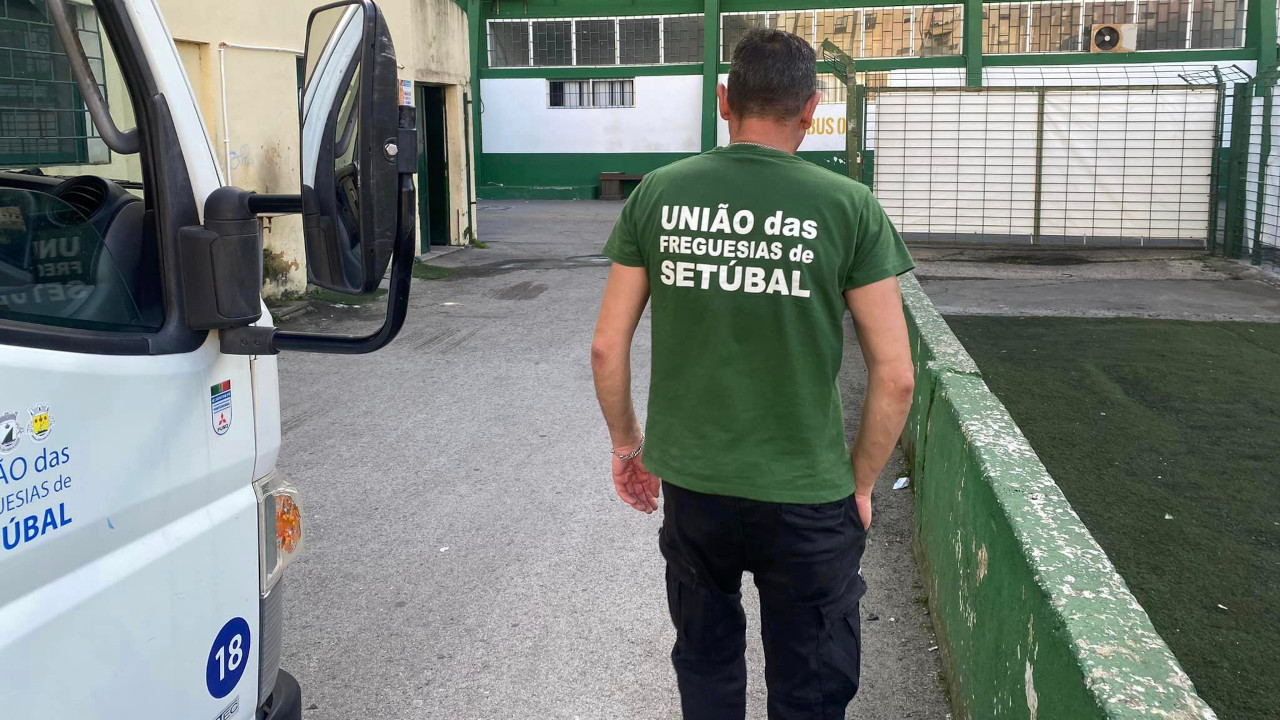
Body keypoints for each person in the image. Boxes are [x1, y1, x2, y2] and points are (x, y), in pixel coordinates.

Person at [590, 27, 917, 720]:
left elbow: (606, 348)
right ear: (811, 107)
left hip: (695, 490)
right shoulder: (849, 206)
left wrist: (627, 445)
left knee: (706, 661)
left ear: (723, 100)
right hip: (808, 495)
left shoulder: (657, 195)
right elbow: (896, 377)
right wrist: (858, 484)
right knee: (812, 684)